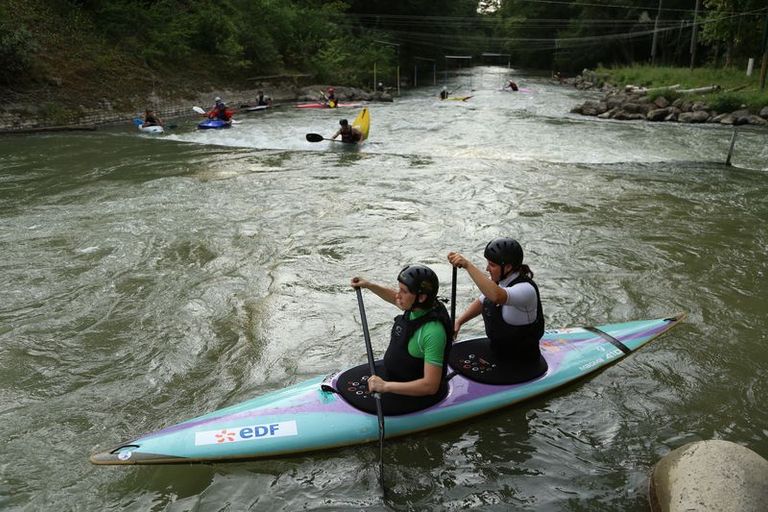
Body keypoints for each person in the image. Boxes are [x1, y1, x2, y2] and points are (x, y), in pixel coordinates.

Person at [349, 264, 453, 414]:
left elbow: (430, 386)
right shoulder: (417, 307)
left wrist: (385, 386)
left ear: (421, 297)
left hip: (415, 394)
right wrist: (369, 285)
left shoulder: (433, 332)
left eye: (403, 292)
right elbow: (393, 298)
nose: (398, 295)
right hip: (394, 376)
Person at [446, 237, 547, 383]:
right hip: (496, 351)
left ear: (508, 267)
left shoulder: (526, 290)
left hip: (522, 364)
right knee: (452, 354)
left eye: (492, 265)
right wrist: (459, 321)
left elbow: (497, 296)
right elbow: (483, 301)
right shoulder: (498, 282)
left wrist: (467, 265)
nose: (487, 269)